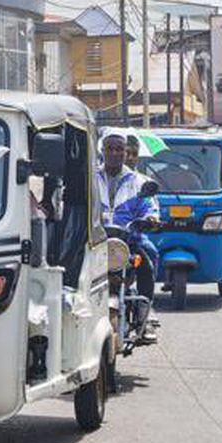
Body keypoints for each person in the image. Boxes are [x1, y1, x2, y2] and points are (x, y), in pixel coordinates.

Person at [96, 129, 160, 324]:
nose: (115, 153)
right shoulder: (90, 178)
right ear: (103, 151)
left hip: (129, 240)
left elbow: (150, 207)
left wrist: (150, 219)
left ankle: (145, 312)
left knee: (149, 256)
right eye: (110, 148)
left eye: (119, 149)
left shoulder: (140, 182)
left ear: (125, 152)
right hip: (97, 240)